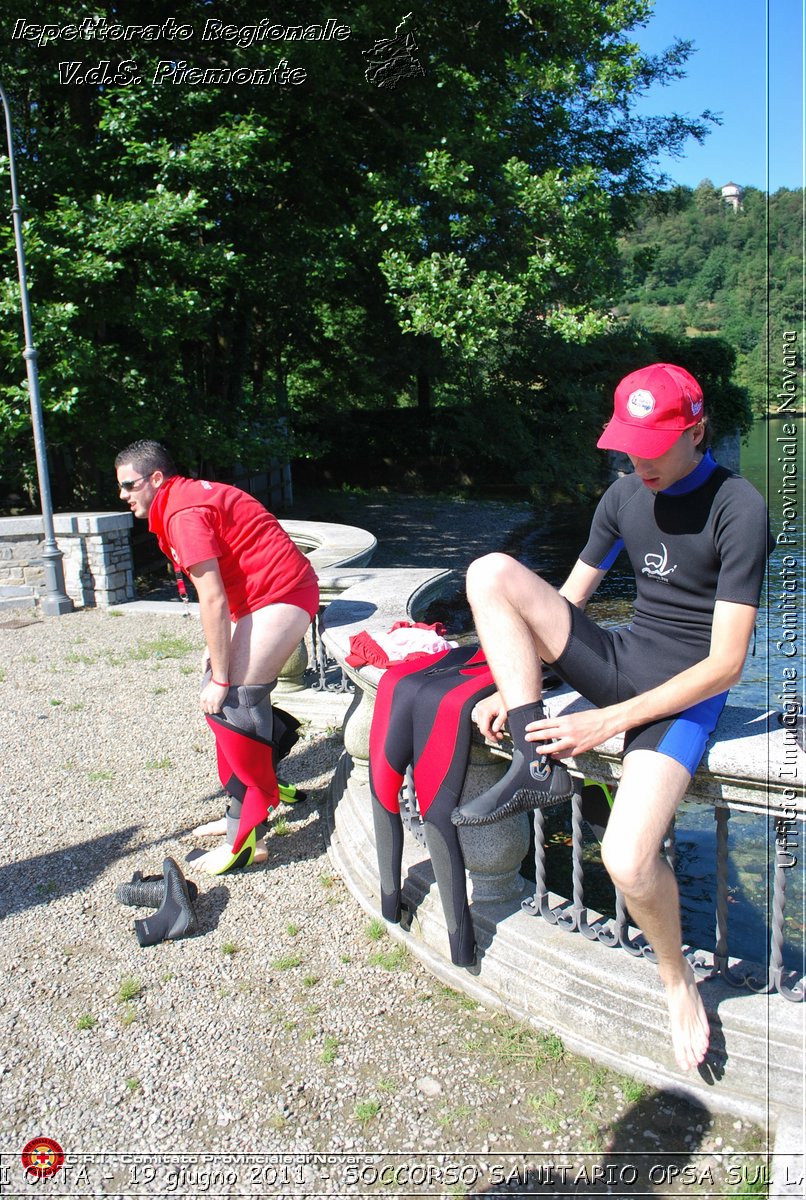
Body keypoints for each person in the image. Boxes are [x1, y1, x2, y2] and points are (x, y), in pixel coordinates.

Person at [451, 363, 771, 1072]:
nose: (637, 461)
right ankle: (537, 770)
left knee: (628, 860)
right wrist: (519, 683)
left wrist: (608, 722)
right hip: (621, 660)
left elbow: (725, 665)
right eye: (628, 444)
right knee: (487, 573)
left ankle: (676, 979)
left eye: (653, 446)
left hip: (683, 694)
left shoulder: (738, 506)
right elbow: (565, 599)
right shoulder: (624, 491)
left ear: (695, 430)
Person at [115, 440, 319, 874]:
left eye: (129, 485)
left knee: (234, 701)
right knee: (223, 693)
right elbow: (220, 592)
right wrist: (215, 658)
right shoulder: (179, 500)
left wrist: (222, 675)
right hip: (255, 597)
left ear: (156, 479)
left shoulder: (182, 513)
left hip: (283, 592)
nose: (123, 495)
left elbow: (212, 600)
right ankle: (257, 790)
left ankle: (246, 838)